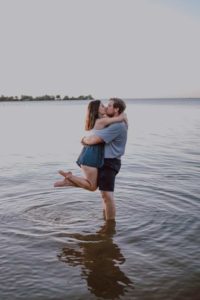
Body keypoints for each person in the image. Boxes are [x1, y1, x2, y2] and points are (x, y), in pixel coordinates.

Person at [54, 98, 128, 221]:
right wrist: (84, 139)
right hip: (100, 159)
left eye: (109, 105)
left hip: (109, 161)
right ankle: (108, 224)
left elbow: (93, 140)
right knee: (103, 194)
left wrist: (83, 139)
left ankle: (108, 228)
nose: (106, 107)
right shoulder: (108, 122)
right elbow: (92, 139)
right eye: (104, 105)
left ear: (116, 109)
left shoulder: (115, 126)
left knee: (105, 194)